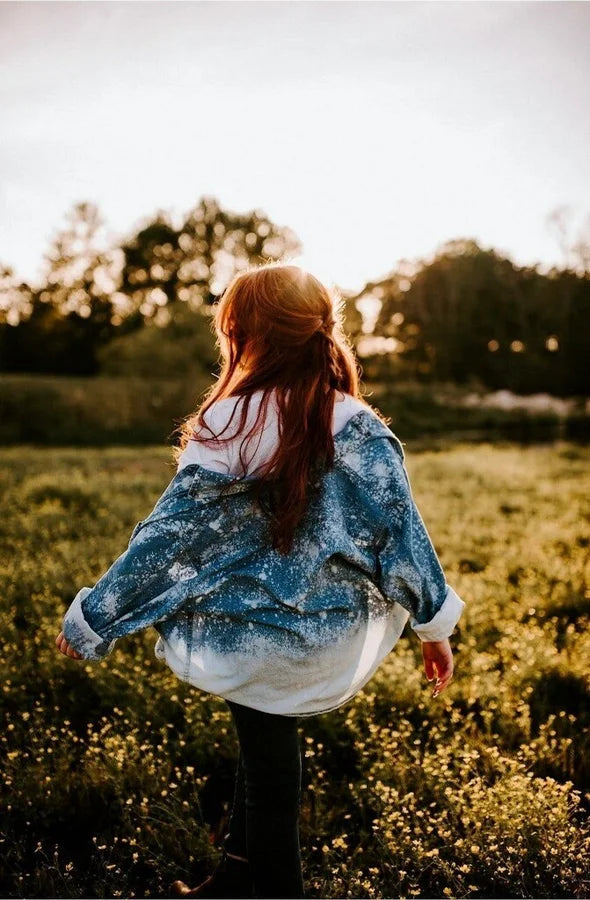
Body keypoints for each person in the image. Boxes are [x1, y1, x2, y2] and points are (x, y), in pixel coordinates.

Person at [56, 262, 465, 899]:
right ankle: (237, 875)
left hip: (240, 634)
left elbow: (167, 539)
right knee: (264, 738)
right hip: (322, 634)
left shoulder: (229, 423)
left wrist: (96, 617)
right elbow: (401, 537)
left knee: (270, 759)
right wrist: (433, 628)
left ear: (249, 337)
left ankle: (274, 886)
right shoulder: (357, 423)